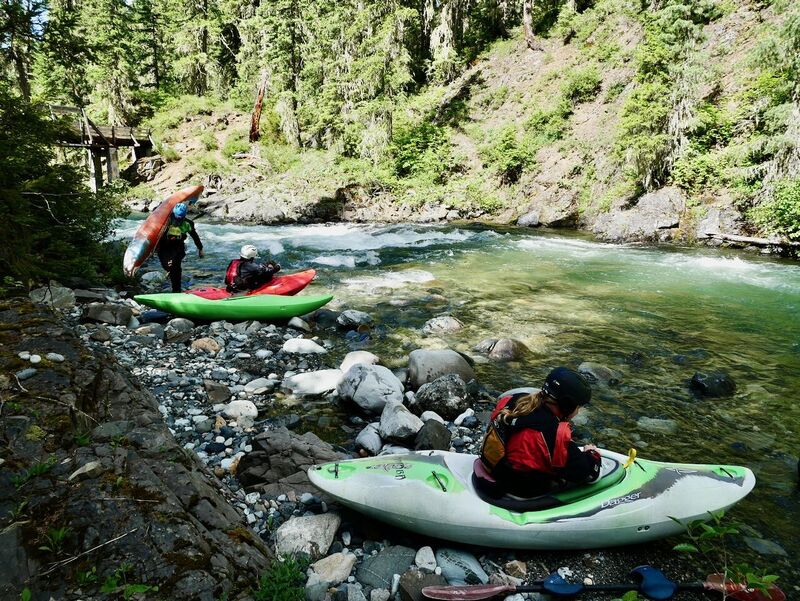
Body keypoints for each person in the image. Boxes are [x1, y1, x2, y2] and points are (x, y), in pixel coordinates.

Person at [478, 367, 601, 498]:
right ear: (567, 405)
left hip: (493, 468)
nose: (578, 412)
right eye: (578, 407)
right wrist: (592, 453)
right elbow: (589, 474)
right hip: (517, 490)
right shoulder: (553, 433)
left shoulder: (514, 400)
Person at [157, 203, 204, 292]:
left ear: (185, 215)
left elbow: (194, 236)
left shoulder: (188, 223)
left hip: (178, 247)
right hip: (164, 246)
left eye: (180, 217)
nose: (178, 218)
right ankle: (169, 270)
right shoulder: (165, 219)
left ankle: (176, 290)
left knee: (176, 268)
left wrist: (200, 248)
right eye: (177, 216)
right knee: (168, 266)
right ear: (173, 213)